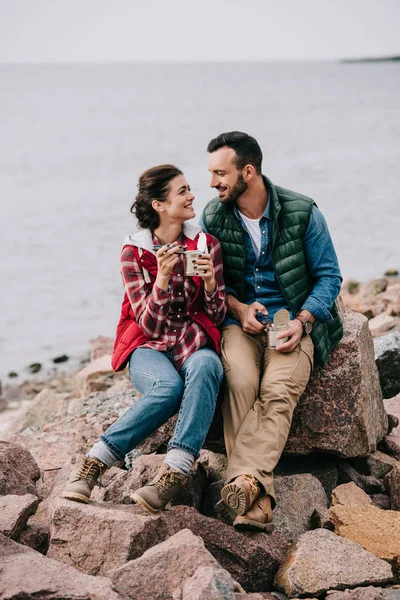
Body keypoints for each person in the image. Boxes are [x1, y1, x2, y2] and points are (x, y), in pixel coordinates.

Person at [200, 131, 343, 531]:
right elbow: (213, 284)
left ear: (248, 171)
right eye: (211, 174)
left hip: (292, 325)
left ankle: (245, 489)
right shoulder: (213, 217)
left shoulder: (303, 211)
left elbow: (330, 277)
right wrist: (239, 307)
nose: (213, 183)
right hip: (239, 325)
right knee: (241, 384)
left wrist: (304, 322)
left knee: (278, 392)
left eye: (220, 173)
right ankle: (255, 494)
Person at [62, 164, 226, 512]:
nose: (192, 195)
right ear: (159, 205)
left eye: (189, 189)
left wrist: (211, 283)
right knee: (168, 388)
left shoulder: (205, 244)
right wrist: (163, 279)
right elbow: (149, 326)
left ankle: (172, 475)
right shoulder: (134, 253)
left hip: (193, 342)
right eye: (182, 191)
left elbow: (216, 316)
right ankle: (93, 464)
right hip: (148, 346)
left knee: (208, 367)